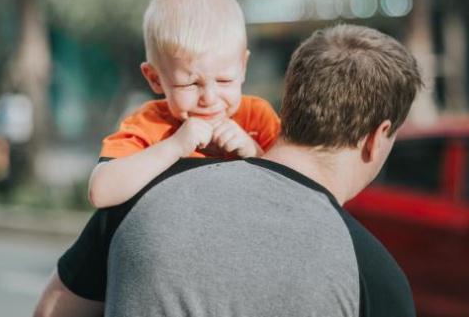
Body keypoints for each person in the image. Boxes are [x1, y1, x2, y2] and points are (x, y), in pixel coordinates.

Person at [34, 23, 423, 317]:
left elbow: (51, 311)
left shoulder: (144, 196)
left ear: (290, 104)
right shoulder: (375, 277)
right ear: (378, 136)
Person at [88, 0, 281, 208]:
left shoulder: (257, 117)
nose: (209, 98)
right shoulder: (149, 124)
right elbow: (101, 193)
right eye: (189, 84)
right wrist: (174, 146)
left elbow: (293, 191)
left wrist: (254, 152)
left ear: (243, 67)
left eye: (224, 80)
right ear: (155, 78)